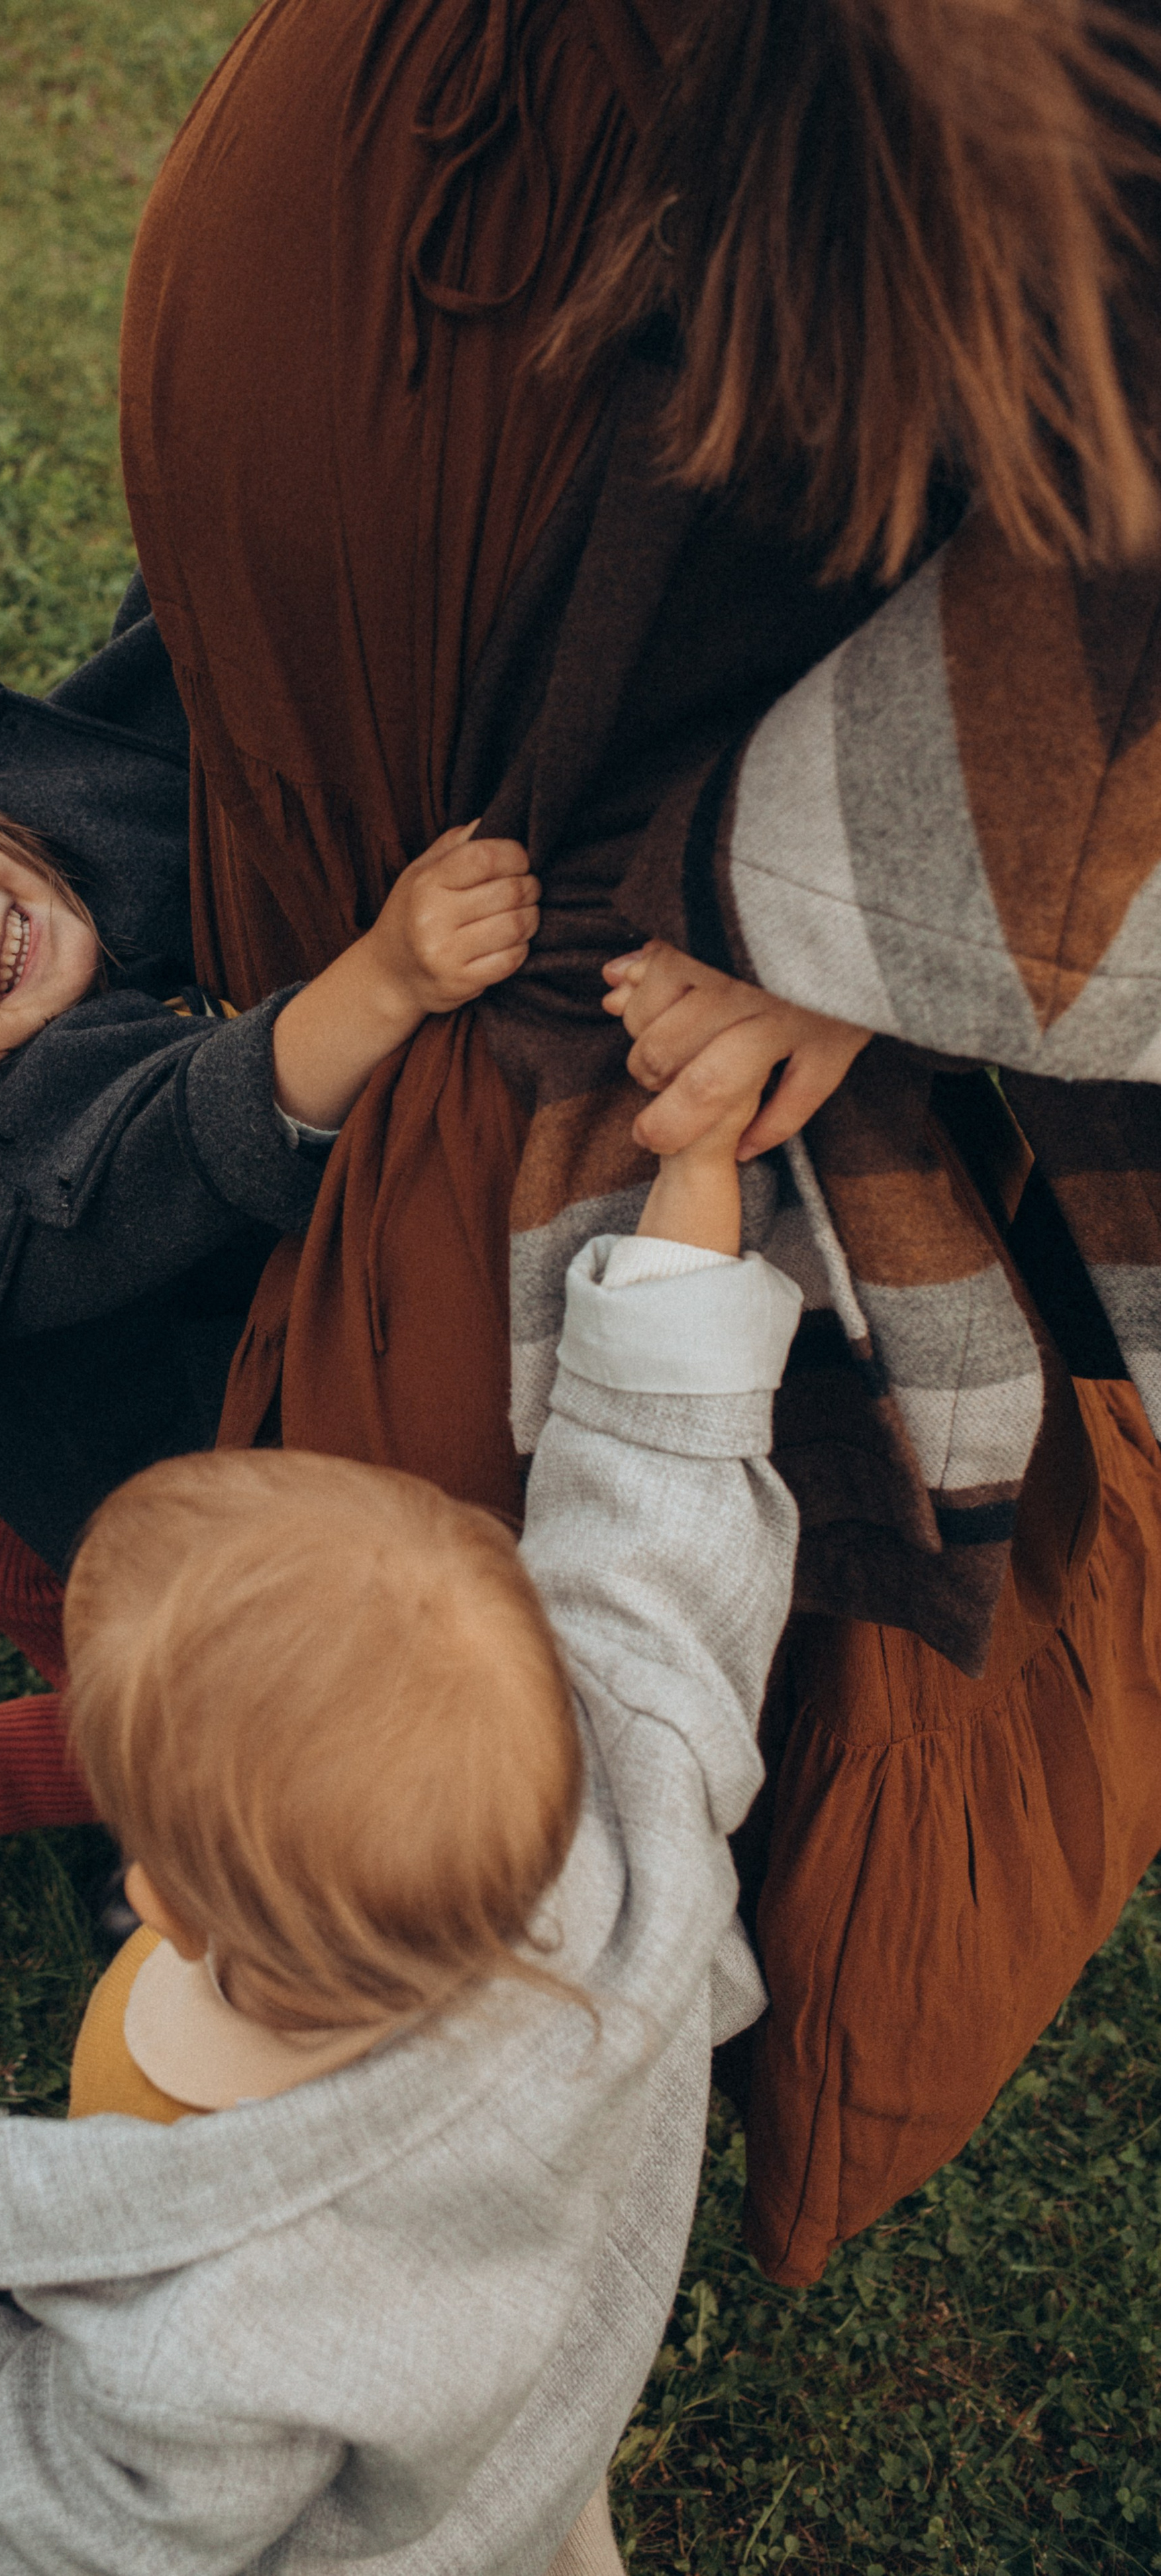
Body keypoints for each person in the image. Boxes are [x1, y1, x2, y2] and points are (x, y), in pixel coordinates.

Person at [113, 0, 1161, 2284]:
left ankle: (441, 2048)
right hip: (414, 875)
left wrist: (851, 922)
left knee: (542, 1644)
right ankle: (200, 1782)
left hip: (613, 962)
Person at [0, 1024, 806, 2576]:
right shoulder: (621, 1828)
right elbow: (657, 1508)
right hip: (529, 2363)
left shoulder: (221, 2314)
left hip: (372, 2530)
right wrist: (697, 1170)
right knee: (513, 2466)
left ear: (154, 1897)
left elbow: (89, 2516)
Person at [0, 784, 536, 1992]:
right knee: (274, 1732)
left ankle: (84, 1756)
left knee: (16, 1552)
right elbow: (190, 1130)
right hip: (184, 1524)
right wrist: (386, 977)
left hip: (8, 1482)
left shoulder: (20, 1003)